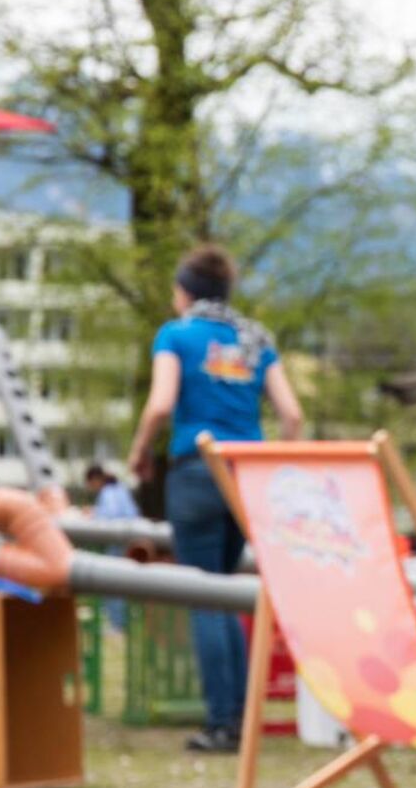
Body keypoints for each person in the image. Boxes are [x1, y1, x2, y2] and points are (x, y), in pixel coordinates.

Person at [126, 244, 303, 753]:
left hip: (199, 471)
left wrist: (140, 454)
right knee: (228, 592)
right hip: (248, 476)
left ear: (184, 293)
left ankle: (223, 722)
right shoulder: (254, 338)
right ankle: (241, 718)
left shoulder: (176, 334)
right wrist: (282, 468)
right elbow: (291, 415)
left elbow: (160, 403)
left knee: (206, 594)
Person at [85, 464, 140, 631]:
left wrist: (92, 515)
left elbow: (109, 516)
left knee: (112, 583)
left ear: (95, 480)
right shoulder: (119, 488)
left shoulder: (108, 492)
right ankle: (122, 621)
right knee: (122, 584)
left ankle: (117, 624)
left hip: (118, 543)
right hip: (128, 540)